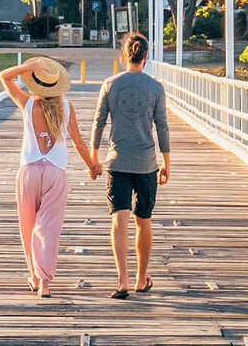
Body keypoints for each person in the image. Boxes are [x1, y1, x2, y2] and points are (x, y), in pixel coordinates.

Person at [0, 55, 100, 297]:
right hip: (55, 173)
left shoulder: (27, 103)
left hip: (29, 172)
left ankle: (34, 276)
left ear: (35, 83)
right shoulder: (66, 107)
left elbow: (4, 76)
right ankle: (45, 283)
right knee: (49, 228)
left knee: (28, 226)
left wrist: (29, 67)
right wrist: (92, 166)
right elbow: (78, 141)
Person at [92, 32, 171, 298]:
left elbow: (99, 123)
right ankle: (140, 279)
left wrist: (94, 157)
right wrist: (166, 162)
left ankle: (122, 280)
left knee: (119, 221)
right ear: (146, 56)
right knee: (143, 221)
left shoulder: (110, 84)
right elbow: (162, 127)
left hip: (117, 162)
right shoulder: (156, 87)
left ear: (124, 55)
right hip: (147, 163)